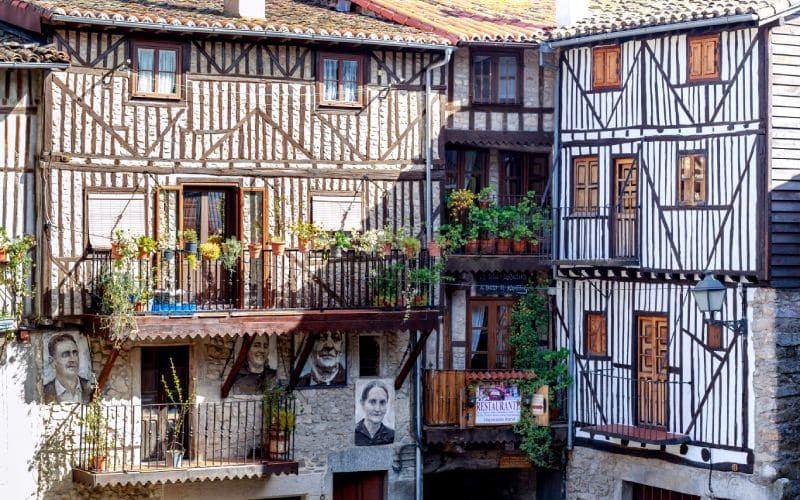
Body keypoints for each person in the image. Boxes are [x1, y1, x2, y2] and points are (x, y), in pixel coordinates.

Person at [43, 334, 93, 404]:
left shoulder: (90, 387)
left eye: (75, 353)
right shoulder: (44, 392)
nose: (72, 359)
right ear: (52, 362)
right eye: (66, 354)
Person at [355, 380, 394, 446]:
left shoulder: (391, 435)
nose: (377, 409)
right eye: (372, 402)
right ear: (362, 403)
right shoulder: (354, 432)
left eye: (382, 402)